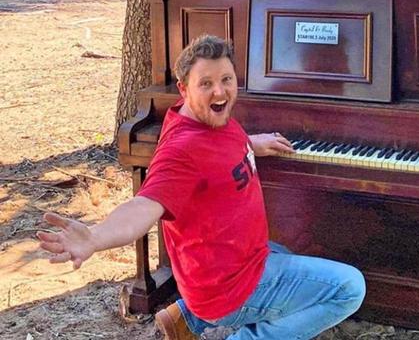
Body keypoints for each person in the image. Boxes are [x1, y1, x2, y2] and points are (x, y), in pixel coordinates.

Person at [37, 34, 366, 340]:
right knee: (350, 288)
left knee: (287, 254)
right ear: (183, 89)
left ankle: (185, 317)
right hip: (224, 286)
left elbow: (217, 152)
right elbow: (144, 205)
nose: (220, 92)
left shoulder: (200, 117)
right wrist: (95, 237)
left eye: (226, 80)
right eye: (205, 84)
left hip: (231, 264)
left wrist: (249, 144)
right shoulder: (181, 152)